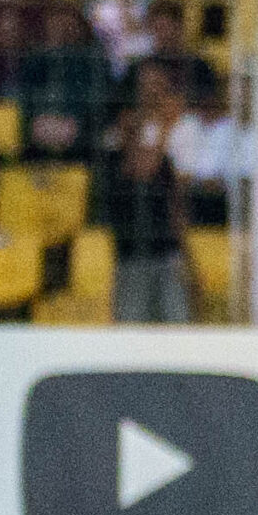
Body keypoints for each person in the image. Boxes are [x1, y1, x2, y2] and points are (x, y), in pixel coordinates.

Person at [106, 59, 191, 322]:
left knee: (177, 329)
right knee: (132, 332)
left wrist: (187, 255)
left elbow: (179, 193)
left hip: (169, 250)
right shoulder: (125, 126)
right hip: (132, 251)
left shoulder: (183, 126)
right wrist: (163, 127)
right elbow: (141, 170)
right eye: (146, 85)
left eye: (158, 85)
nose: (152, 92)